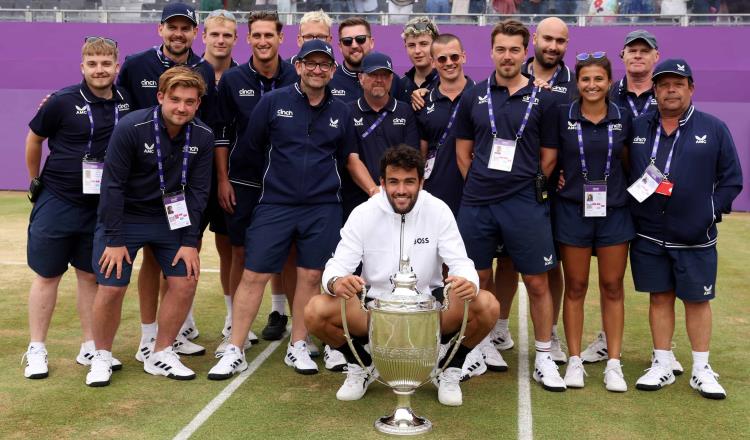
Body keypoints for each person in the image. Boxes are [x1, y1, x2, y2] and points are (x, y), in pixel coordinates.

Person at [305, 145, 500, 406]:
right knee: (315, 310)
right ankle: (362, 366)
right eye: (394, 182)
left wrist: (468, 282)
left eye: (409, 182)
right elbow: (336, 266)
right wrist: (337, 281)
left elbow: (461, 262)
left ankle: (448, 369)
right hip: (374, 312)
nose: (401, 190)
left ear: (421, 181)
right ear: (382, 182)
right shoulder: (363, 213)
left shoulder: (438, 210)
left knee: (487, 305)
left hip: (427, 313)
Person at [207, 40, 356, 379]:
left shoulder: (341, 111)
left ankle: (298, 345)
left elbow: (348, 157)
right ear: (299, 66)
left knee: (311, 275)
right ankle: (235, 348)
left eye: (324, 65)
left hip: (322, 207)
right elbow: (250, 149)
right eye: (311, 63)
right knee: (254, 274)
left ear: (332, 71)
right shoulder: (273, 102)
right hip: (275, 203)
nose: (317, 69)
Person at [453, 19, 568, 392]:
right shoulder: (474, 95)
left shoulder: (545, 99)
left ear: (525, 52)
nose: (507, 56)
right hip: (478, 204)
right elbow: (463, 153)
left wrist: (519, 186)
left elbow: (549, 159)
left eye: (514, 49)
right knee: (477, 280)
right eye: (500, 49)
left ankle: (545, 356)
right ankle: (476, 348)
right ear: (491, 52)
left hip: (524, 204)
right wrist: (485, 186)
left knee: (537, 281)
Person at [85, 66, 214, 386]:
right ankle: (101, 356)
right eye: (175, 99)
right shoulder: (131, 127)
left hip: (170, 220)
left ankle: (161, 352)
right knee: (112, 285)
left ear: (198, 104)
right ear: (160, 97)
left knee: (185, 281)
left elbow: (198, 193)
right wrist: (114, 240)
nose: (181, 107)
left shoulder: (203, 135)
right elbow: (112, 185)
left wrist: (190, 240)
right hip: (124, 218)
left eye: (189, 101)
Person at [630, 59, 742, 400]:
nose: (671, 89)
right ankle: (662, 363)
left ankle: (701, 369)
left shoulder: (714, 127)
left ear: (691, 87)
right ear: (655, 90)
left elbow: (731, 180)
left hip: (695, 236)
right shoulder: (639, 128)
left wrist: (708, 212)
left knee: (696, 300)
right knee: (660, 297)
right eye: (664, 84)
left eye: (678, 83)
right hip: (649, 233)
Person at [22, 37, 131, 379]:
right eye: (93, 64)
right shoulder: (61, 101)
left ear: (117, 65)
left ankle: (90, 346)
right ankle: (36, 349)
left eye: (106, 63)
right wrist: (34, 180)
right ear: (82, 67)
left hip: (101, 205)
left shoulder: (128, 100)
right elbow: (34, 138)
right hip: (58, 198)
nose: (100, 70)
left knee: (89, 276)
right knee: (48, 274)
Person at [116, 2, 216, 361]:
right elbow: (118, 109)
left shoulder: (204, 69)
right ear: (160, 29)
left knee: (180, 260)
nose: (178, 33)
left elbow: (208, 126)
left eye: (185, 28)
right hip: (142, 183)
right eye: (172, 27)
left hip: (182, 187)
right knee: (152, 263)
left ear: (194, 33)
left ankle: (176, 331)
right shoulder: (136, 63)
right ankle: (149, 337)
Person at [214, 10, 299, 357]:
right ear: (247, 39)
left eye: (269, 35)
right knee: (240, 252)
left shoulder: (297, 73)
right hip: (245, 181)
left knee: (292, 253)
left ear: (281, 39)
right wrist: (223, 179)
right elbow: (221, 134)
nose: (263, 41)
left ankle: (299, 333)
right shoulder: (233, 80)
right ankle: (237, 326)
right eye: (257, 35)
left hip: (288, 183)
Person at [490, 16, 575, 366]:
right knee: (507, 261)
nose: (553, 46)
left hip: (558, 188)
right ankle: (499, 327)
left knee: (550, 265)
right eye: (548, 39)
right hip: (517, 188)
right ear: (535, 40)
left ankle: (549, 331)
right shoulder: (515, 77)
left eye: (560, 41)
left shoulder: (574, 82)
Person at [554, 53, 634, 392]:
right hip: (573, 209)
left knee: (613, 287)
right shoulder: (563, 116)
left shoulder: (624, 117)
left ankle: (613, 363)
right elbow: (551, 156)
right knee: (575, 286)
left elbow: (631, 160)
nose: (591, 85)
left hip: (614, 211)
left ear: (609, 83)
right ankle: (574, 361)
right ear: (577, 82)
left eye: (598, 79)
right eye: (585, 79)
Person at [581, 29, 661, 365]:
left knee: (660, 274)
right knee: (607, 278)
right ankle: (604, 339)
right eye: (633, 51)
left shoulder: (668, 91)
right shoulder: (606, 93)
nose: (639, 56)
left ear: (656, 57)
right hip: (612, 196)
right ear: (623, 57)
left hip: (657, 196)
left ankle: (664, 352)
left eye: (646, 51)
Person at [198, 8, 241, 353]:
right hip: (190, 181)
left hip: (229, 180)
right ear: (204, 36)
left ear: (235, 39)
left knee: (230, 250)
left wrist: (225, 177)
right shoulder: (189, 74)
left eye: (227, 35)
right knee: (182, 248)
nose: (221, 40)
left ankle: (232, 320)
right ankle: (182, 323)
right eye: (215, 34)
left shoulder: (242, 77)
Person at [343, 51, 419, 220]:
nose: (379, 79)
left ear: (391, 79)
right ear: (361, 78)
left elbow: (410, 157)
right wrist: (375, 191)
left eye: (384, 75)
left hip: (396, 199)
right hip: (358, 200)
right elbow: (351, 158)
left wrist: (392, 191)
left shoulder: (405, 110)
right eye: (373, 74)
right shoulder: (347, 111)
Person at [330, 17, 405, 103]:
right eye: (347, 41)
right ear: (340, 46)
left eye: (360, 39)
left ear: (371, 43)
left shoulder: (393, 80)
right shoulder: (329, 80)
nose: (354, 45)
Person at [397, 17, 439, 101]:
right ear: (406, 47)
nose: (417, 51)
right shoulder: (399, 85)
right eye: (411, 45)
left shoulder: (448, 82)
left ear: (436, 45)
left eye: (423, 44)